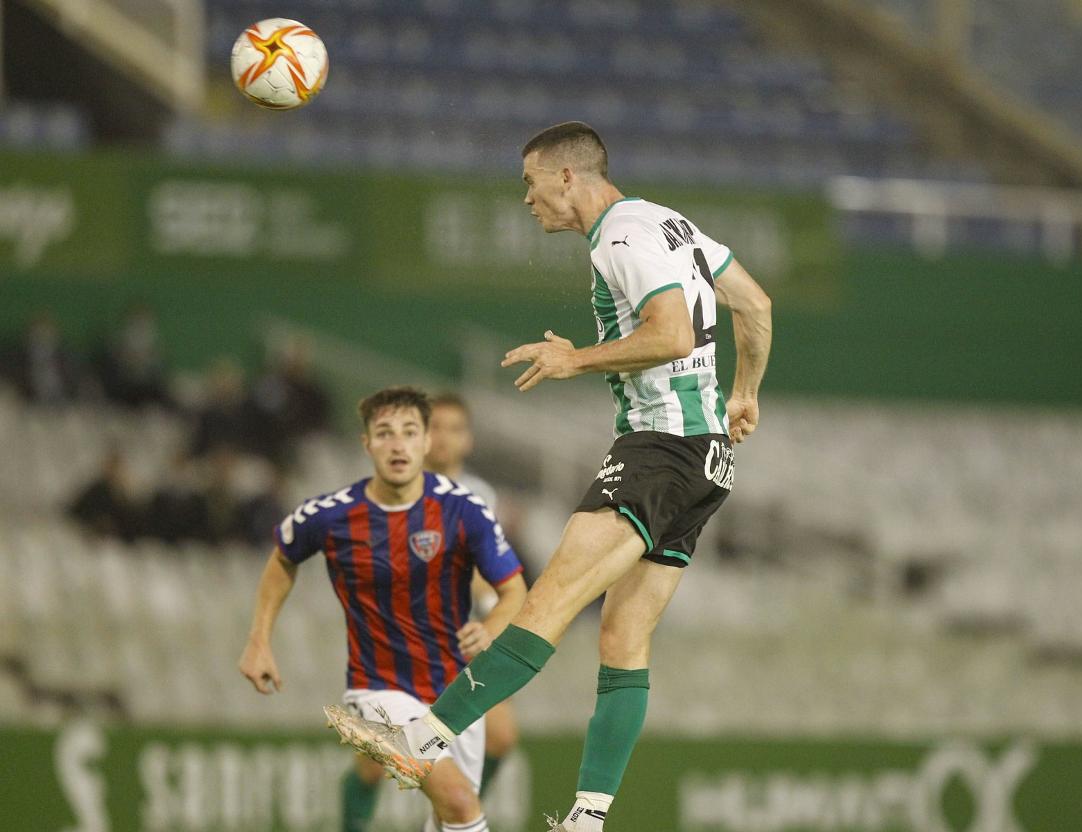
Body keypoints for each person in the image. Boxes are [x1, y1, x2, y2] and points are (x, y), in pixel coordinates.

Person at [325, 122, 773, 831]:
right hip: (708, 461)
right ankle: (588, 817)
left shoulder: (620, 235)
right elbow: (755, 306)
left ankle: (419, 739)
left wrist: (577, 360)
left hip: (659, 448)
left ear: (567, 177)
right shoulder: (668, 223)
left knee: (547, 604)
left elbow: (673, 334)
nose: (526, 198)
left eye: (530, 182)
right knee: (623, 640)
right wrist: (745, 391)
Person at [239, 386, 527, 832]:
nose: (397, 444)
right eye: (385, 433)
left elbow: (514, 591)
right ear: (367, 443)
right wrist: (259, 640)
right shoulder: (332, 514)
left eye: (409, 432)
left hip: (456, 692)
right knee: (459, 801)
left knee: (453, 813)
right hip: (379, 689)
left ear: (425, 442)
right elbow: (282, 559)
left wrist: (489, 627)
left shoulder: (466, 508)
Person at [424, 393, 523, 798]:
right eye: (435, 427)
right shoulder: (400, 487)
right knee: (374, 766)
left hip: (457, 630)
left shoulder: (480, 493)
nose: (444, 438)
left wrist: (489, 615)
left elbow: (488, 569)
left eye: (455, 429)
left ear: (469, 440)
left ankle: (459, 815)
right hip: (408, 630)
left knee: (500, 737)